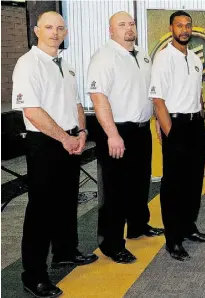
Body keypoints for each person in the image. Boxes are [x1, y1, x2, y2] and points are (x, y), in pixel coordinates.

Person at [12, 11, 98, 297]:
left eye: (60, 28)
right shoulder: (28, 64)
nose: (55, 32)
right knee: (40, 210)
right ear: (37, 30)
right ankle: (33, 275)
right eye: (49, 27)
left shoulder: (67, 64)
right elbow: (32, 111)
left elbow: (76, 104)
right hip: (45, 143)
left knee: (66, 201)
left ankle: (65, 251)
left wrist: (82, 134)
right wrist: (64, 138)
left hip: (70, 140)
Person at [87, 11, 164, 264]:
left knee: (140, 183)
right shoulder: (104, 57)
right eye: (122, 25)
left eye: (131, 23)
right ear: (111, 30)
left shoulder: (141, 54)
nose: (128, 28)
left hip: (141, 129)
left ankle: (138, 226)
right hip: (117, 130)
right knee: (114, 191)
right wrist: (112, 134)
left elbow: (148, 95)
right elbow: (98, 98)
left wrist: (155, 125)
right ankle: (111, 244)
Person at [150, 10, 205, 262]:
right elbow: (158, 99)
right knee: (174, 185)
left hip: (195, 125)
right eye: (179, 25)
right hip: (175, 125)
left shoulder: (196, 59)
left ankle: (188, 227)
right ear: (171, 28)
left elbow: (197, 93)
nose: (184, 30)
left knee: (194, 181)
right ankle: (173, 239)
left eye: (188, 25)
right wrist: (170, 134)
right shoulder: (164, 58)